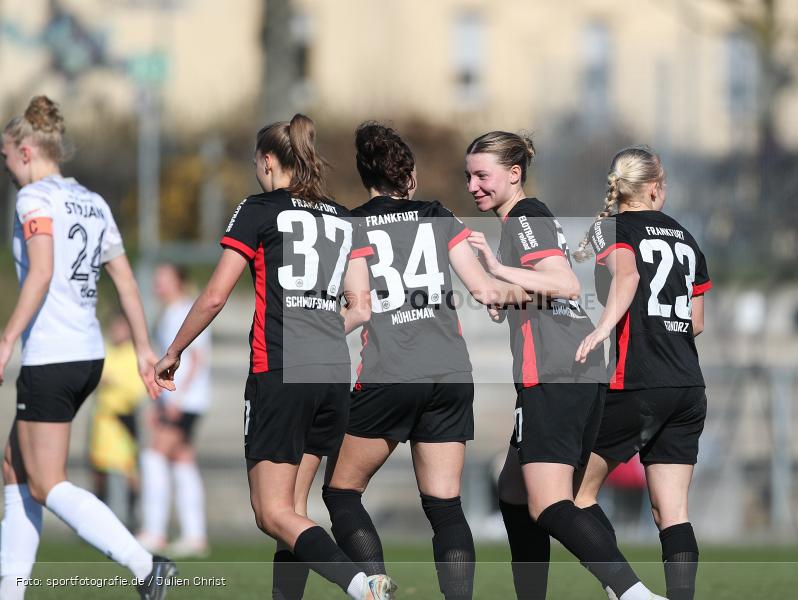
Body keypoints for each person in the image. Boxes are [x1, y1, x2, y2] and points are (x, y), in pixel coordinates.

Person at [153, 114, 395, 600]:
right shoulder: (345, 217)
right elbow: (362, 306)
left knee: (271, 514)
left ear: (267, 162)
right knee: (295, 514)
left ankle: (359, 583)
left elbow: (214, 297)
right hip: (331, 374)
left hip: (280, 372)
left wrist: (173, 351)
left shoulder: (258, 209)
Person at [322, 122, 528, 600]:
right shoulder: (438, 215)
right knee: (445, 506)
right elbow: (483, 289)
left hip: (391, 373)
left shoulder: (352, 225)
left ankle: (374, 591)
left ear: (365, 177)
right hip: (451, 375)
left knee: (341, 491)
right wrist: (545, 293)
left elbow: (358, 307)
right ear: (409, 177)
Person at [464, 131, 665, 600]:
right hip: (573, 367)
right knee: (514, 490)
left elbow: (564, 283)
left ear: (514, 174)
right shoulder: (523, 218)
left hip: (554, 370)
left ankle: (632, 593)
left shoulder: (524, 216)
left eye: (482, 175)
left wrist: (497, 269)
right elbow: (545, 288)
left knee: (549, 502)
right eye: (468, 175)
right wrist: (511, 296)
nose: (473, 185)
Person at [0, 95, 174, 600]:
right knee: (15, 470)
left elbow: (44, 271)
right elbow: (125, 281)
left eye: (7, 157)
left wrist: (7, 337)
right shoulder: (92, 201)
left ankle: (145, 566)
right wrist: (144, 348)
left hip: (52, 355)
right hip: (87, 354)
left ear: (28, 151)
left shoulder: (33, 199)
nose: (6, 167)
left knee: (47, 482)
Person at [572, 145, 711, 600]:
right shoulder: (686, 238)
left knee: (569, 494)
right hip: (687, 385)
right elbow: (696, 322)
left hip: (637, 380)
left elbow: (627, 279)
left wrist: (601, 330)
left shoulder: (611, 229)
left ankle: (626, 590)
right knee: (672, 513)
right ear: (655, 187)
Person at [138, 263, 212, 557]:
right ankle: (195, 536)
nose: (158, 284)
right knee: (182, 459)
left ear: (178, 282)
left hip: (186, 402)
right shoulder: (170, 311)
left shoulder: (183, 310)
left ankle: (154, 531)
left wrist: (177, 402)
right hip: (186, 401)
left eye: (163, 279)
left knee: (154, 454)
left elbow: (195, 358)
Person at [89, 313, 146, 529]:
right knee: (100, 471)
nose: (117, 331)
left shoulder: (134, 355)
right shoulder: (106, 351)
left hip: (123, 420)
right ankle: (99, 520)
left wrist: (113, 383)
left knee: (127, 470)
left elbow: (136, 390)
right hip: (103, 419)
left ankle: (131, 517)